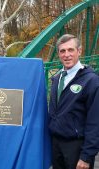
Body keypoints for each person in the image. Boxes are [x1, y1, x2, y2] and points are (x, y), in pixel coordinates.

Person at [48, 34, 99, 169]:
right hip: (56, 145)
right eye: (62, 51)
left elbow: (95, 121)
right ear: (58, 54)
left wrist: (87, 156)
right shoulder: (57, 78)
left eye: (71, 50)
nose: (66, 55)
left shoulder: (91, 81)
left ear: (79, 51)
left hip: (77, 147)